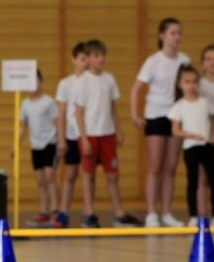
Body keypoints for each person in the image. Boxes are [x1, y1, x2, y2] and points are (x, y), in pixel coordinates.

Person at [74, 40, 140, 228]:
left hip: (107, 134)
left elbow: (112, 107)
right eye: (96, 55)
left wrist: (118, 129)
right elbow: (78, 112)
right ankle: (88, 213)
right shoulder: (83, 82)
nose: (101, 59)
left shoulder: (109, 79)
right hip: (90, 135)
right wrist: (84, 138)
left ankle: (119, 214)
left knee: (112, 175)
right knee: (89, 175)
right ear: (88, 59)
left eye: (103, 55)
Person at [130, 18, 190, 227]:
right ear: (162, 36)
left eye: (179, 33)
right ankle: (151, 213)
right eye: (173, 33)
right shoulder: (153, 61)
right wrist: (135, 114)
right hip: (155, 115)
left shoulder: (184, 60)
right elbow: (136, 88)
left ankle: (166, 211)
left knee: (171, 166)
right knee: (155, 166)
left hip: (176, 116)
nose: (177, 37)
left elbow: (189, 89)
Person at [169, 64, 214, 227]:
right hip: (190, 147)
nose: (191, 85)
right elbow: (176, 130)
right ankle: (193, 215)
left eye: (194, 82)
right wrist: (191, 135)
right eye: (187, 82)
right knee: (193, 181)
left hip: (206, 146)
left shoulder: (205, 102)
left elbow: (213, 118)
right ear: (180, 84)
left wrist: (212, 134)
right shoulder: (179, 106)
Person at [54, 42, 88, 227]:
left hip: (89, 135)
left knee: (87, 175)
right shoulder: (66, 84)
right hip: (71, 135)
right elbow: (61, 112)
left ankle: (87, 213)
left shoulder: (92, 81)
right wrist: (61, 139)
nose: (86, 63)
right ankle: (63, 211)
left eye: (87, 59)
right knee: (70, 174)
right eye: (82, 59)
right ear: (74, 60)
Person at [19, 70, 59, 226]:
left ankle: (55, 210)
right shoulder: (24, 104)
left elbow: (57, 122)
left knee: (50, 176)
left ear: (41, 82)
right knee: (40, 180)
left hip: (50, 142)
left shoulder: (49, 102)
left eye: (36, 81)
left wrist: (61, 141)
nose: (33, 86)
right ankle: (44, 211)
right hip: (35, 145)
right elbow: (22, 126)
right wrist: (16, 144)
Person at [196, 45, 214, 216]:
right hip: (204, 135)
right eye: (208, 59)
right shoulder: (198, 85)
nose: (212, 63)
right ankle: (202, 215)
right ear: (203, 63)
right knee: (203, 177)